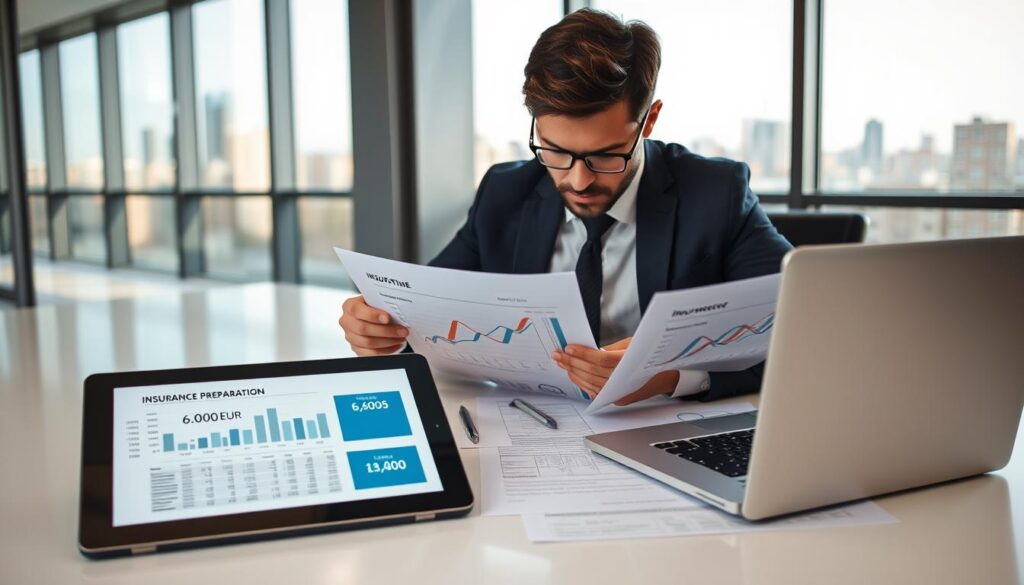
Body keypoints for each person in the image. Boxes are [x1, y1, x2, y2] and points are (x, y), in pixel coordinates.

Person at [339, 8, 792, 405]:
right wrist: (383, 330)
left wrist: (668, 377)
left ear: (649, 120)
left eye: (605, 155)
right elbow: (428, 311)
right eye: (555, 152)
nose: (578, 180)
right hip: (530, 428)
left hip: (664, 430)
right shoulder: (504, 192)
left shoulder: (716, 193)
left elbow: (798, 327)